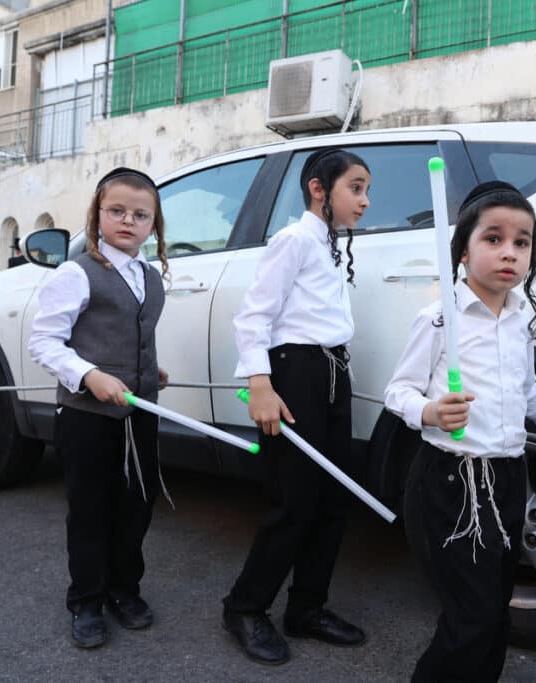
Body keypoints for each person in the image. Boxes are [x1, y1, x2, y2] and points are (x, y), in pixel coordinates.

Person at [385, 181, 536, 682]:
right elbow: (398, 392)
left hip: (508, 478)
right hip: (451, 482)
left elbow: (528, 395)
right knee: (472, 614)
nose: (509, 252)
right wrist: (432, 412)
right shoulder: (440, 320)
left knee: (495, 608)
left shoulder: (520, 321)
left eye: (521, 242)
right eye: (494, 239)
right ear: (463, 251)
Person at [222, 148, 371, 665]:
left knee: (332, 500)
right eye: (355, 188)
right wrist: (260, 384)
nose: (365, 201)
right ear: (318, 189)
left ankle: (306, 608)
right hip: (296, 374)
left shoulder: (331, 244)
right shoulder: (293, 239)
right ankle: (244, 607)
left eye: (365, 190)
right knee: (294, 502)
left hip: (334, 372)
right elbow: (254, 315)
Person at [28, 167, 170, 649]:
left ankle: (123, 590)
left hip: (141, 413)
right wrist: (89, 375)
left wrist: (151, 371)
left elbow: (132, 335)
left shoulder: (151, 276)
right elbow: (45, 342)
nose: (128, 221)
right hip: (88, 418)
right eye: (117, 211)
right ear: (97, 214)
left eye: (140, 214)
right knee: (90, 510)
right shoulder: (77, 273)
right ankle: (86, 600)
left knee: (137, 505)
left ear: (154, 224)